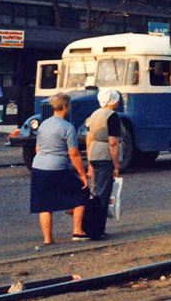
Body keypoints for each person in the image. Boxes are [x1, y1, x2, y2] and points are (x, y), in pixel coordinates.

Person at [30, 92, 89, 244]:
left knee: (44, 203)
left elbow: (37, 148)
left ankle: (48, 239)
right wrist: (82, 174)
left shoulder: (43, 125)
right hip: (58, 168)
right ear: (64, 106)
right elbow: (74, 153)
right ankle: (77, 231)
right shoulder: (67, 127)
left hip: (38, 167)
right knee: (81, 193)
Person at [85, 88, 122, 237]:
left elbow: (88, 139)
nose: (118, 102)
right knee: (103, 193)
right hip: (105, 155)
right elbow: (113, 143)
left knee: (95, 190)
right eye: (117, 99)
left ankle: (90, 226)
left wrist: (88, 161)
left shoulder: (93, 115)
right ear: (112, 101)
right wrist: (116, 165)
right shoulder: (112, 116)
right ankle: (97, 229)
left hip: (94, 153)